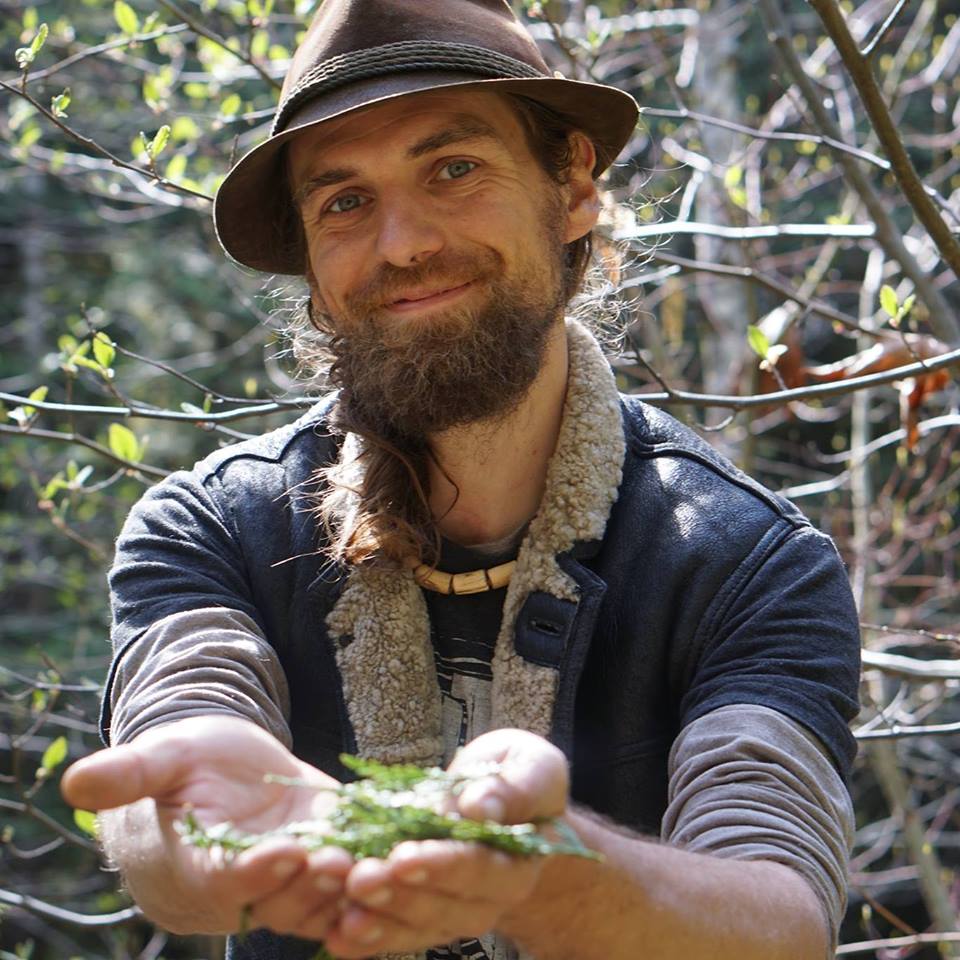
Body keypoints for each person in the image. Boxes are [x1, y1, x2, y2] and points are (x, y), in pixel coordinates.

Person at [61, 2, 861, 959]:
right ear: (313, 266)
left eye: (453, 168)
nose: (402, 243)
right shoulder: (211, 528)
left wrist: (556, 878)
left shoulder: (750, 563)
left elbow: (779, 915)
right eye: (344, 200)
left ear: (572, 188)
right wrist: (199, 830)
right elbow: (172, 791)